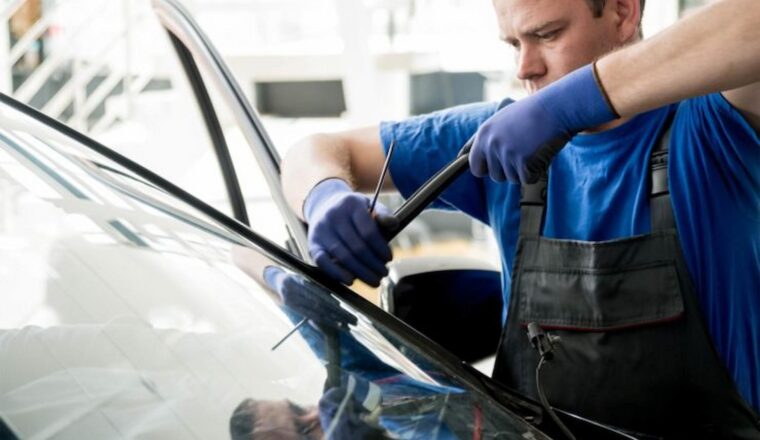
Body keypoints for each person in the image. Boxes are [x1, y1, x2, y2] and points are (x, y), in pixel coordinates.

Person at [281, 0, 760, 436]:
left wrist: (569, 104)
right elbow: (315, 151)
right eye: (514, 43)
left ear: (622, 11)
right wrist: (324, 194)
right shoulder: (501, 143)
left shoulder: (714, 126)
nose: (525, 68)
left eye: (548, 35)